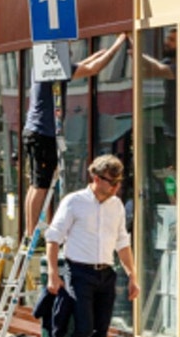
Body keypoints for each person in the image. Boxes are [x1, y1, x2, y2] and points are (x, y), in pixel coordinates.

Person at [44, 154, 139, 337]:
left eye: (119, 182)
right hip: (79, 273)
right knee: (84, 328)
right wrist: (53, 273)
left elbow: (123, 242)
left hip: (106, 274)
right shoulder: (74, 202)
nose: (116, 187)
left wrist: (132, 274)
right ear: (95, 178)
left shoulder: (116, 205)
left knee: (100, 334)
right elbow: (53, 237)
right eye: (111, 182)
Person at [22, 35, 130, 236]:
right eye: (68, 51)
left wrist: (99, 54)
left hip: (34, 130)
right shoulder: (56, 69)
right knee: (42, 185)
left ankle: (31, 231)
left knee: (36, 183)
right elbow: (93, 69)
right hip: (45, 132)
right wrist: (118, 43)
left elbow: (83, 64)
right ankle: (32, 234)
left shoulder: (44, 66)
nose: (70, 54)